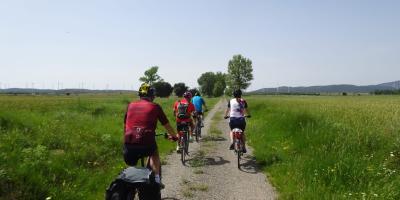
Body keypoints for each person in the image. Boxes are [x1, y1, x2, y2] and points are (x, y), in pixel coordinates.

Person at [123, 83, 177, 187]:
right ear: (152, 96)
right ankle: (157, 179)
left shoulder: (130, 105)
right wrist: (174, 136)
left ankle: (129, 181)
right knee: (154, 154)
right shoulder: (155, 106)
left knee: (130, 163)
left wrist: (125, 143)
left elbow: (125, 127)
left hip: (129, 143)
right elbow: (167, 125)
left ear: (140, 95)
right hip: (147, 143)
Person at [224, 89, 251, 153]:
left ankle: (232, 142)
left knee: (231, 131)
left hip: (233, 120)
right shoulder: (243, 101)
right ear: (240, 94)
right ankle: (244, 147)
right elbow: (246, 110)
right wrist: (249, 115)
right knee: (242, 132)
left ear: (234, 95)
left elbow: (227, 110)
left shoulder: (230, 101)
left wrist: (225, 115)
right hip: (241, 120)